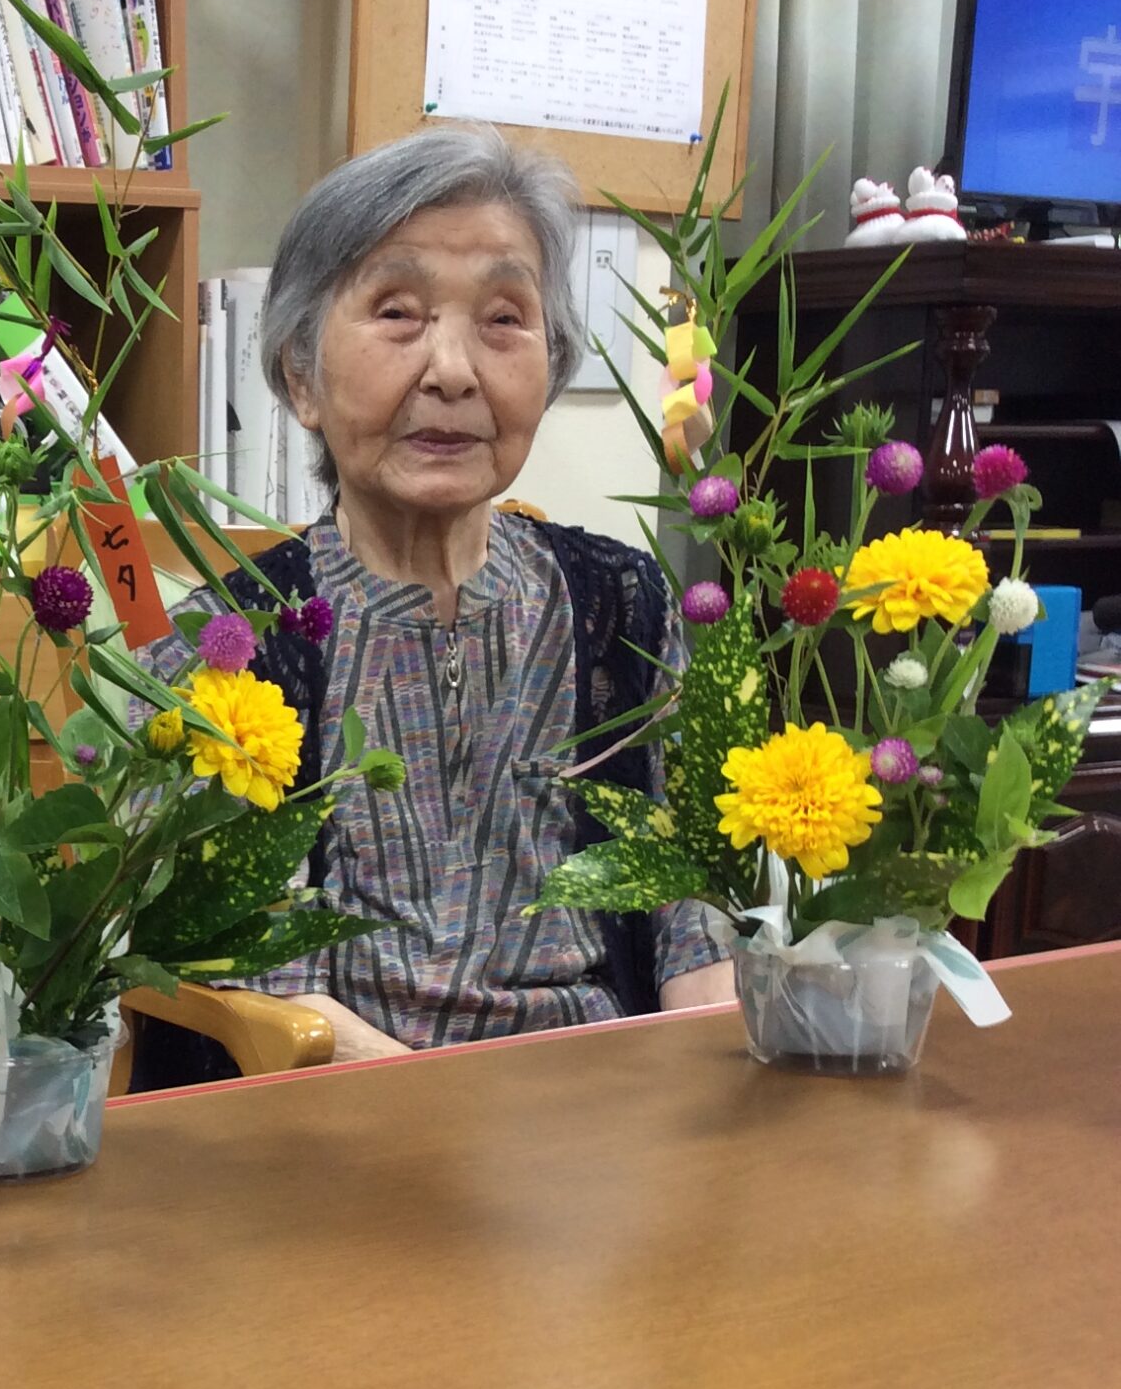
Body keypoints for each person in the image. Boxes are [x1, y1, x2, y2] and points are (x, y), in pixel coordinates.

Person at [142, 122, 735, 1068]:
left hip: (603, 1103)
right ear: (300, 375)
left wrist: (703, 1091)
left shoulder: (621, 604)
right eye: (398, 312)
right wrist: (451, 1123)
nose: (454, 371)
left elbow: (688, 913)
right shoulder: (227, 645)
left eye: (504, 319)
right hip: (344, 1119)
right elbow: (269, 992)